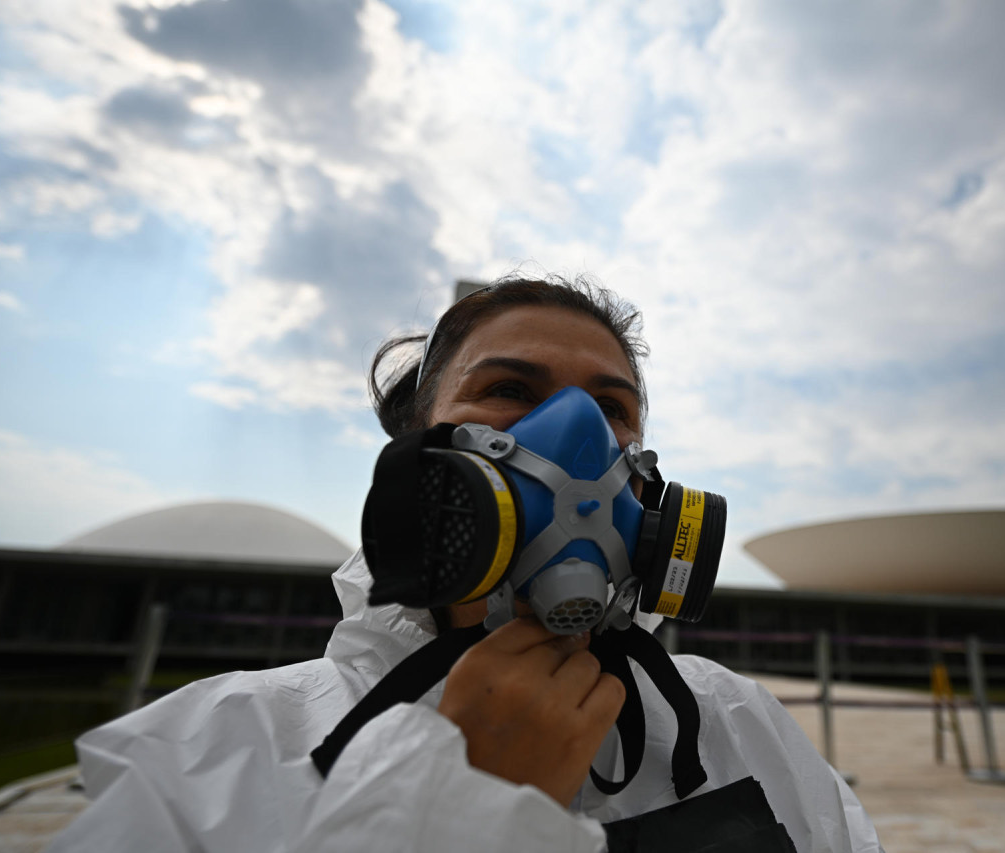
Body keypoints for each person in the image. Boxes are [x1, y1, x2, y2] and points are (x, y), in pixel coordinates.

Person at [50, 275, 884, 852]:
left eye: (611, 407)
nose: (578, 433)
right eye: (512, 391)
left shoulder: (736, 723)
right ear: (420, 443)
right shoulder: (205, 756)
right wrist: (457, 801)